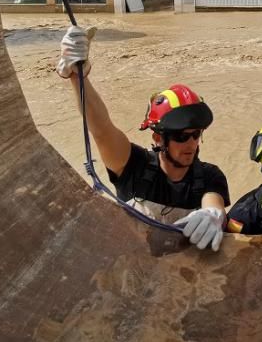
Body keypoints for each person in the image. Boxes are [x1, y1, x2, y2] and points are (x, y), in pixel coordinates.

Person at [57, 26, 230, 251]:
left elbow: (213, 201)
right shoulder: (133, 166)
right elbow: (102, 129)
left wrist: (215, 216)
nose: (191, 144)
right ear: (158, 138)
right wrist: (77, 76)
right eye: (180, 136)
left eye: (196, 134)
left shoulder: (209, 176)